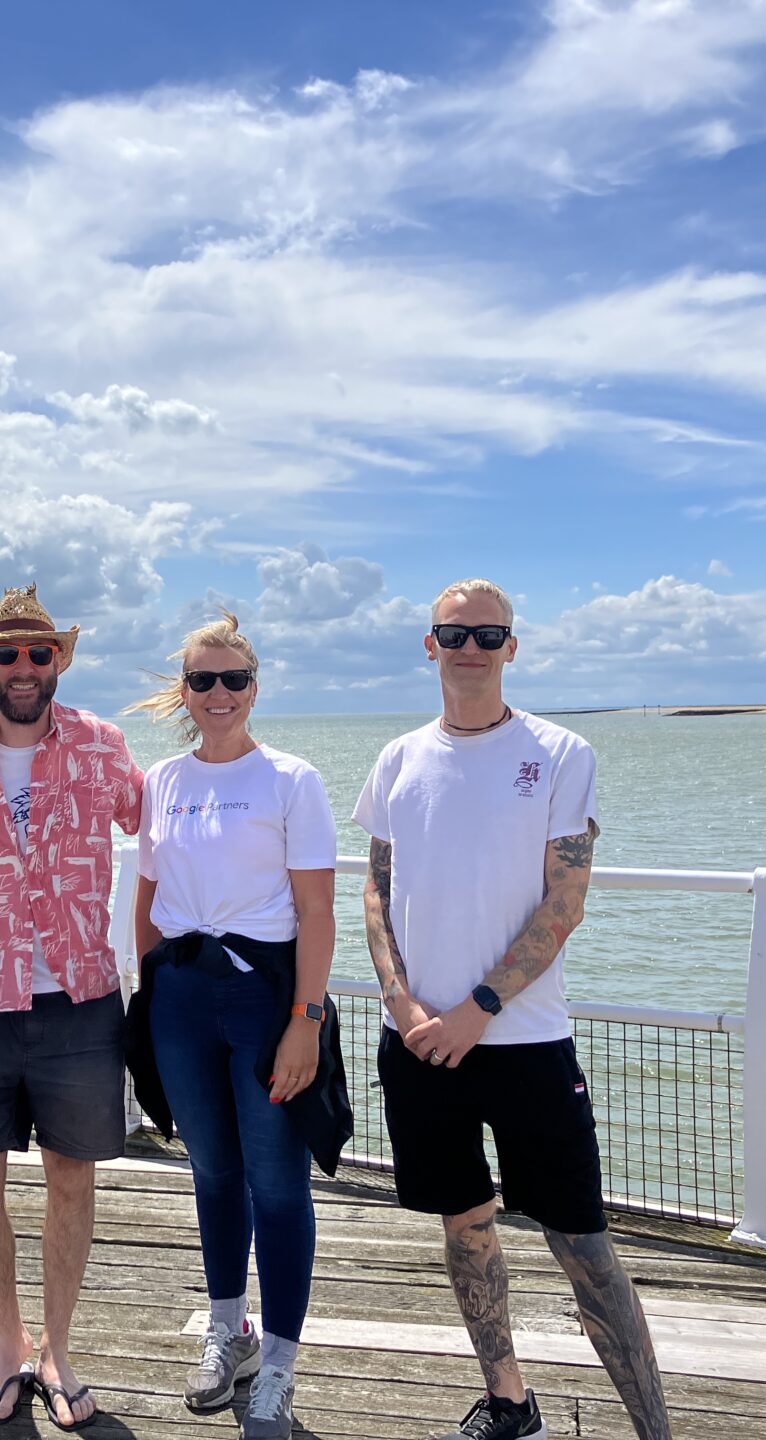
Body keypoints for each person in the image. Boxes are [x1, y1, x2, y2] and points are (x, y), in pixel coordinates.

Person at [353, 578, 672, 1440]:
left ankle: (655, 1428)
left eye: (488, 635)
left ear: (511, 648)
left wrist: (479, 1008)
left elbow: (564, 903)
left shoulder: (560, 753)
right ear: (429, 645)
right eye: (453, 634)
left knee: (582, 1243)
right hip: (416, 1038)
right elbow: (376, 895)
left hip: (525, 1040)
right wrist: (402, 999)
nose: (469, 648)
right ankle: (508, 1399)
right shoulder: (397, 758)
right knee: (465, 1226)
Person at [0, 584, 145, 1431]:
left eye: (37, 653)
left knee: (70, 1183)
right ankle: (8, 1346)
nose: (21, 668)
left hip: (80, 996)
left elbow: (173, 826)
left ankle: (59, 1348)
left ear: (60, 662)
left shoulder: (104, 746)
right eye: (5, 654)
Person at [122, 611, 347, 1440]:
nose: (219, 695)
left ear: (256, 688)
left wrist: (306, 1020)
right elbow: (146, 907)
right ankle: (231, 1334)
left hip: (264, 1000)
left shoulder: (291, 780)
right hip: (181, 997)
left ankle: (280, 1363)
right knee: (212, 1172)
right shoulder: (164, 782)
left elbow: (317, 913)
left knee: (278, 1182)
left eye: (235, 680)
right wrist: (152, 996)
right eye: (203, 680)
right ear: (183, 692)